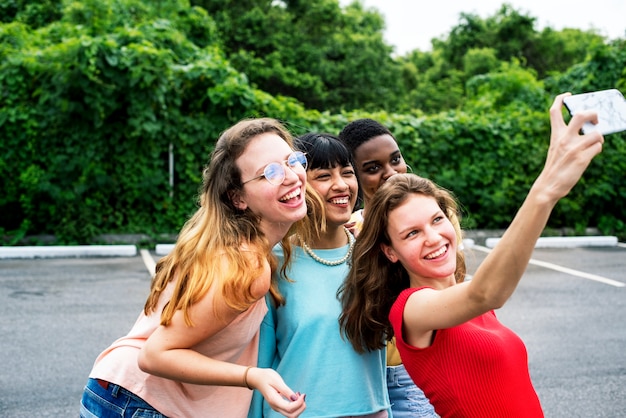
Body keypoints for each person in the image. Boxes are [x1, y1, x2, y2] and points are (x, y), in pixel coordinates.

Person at [338, 93, 604, 417]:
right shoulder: (411, 309)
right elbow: (488, 293)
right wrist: (546, 190)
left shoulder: (466, 297)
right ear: (390, 252)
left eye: (436, 220)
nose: (433, 237)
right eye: (412, 233)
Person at [80, 118, 308, 418]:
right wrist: (252, 376)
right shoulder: (246, 264)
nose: (291, 176)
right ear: (237, 198)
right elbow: (155, 355)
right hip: (141, 401)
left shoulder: (234, 242)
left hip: (122, 393)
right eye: (270, 173)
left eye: (293, 161)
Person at [249, 133, 390, 417]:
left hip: (372, 411)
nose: (341, 185)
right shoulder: (273, 263)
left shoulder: (374, 257)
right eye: (324, 176)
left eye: (348, 173)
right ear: (298, 183)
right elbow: (260, 363)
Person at [339, 118, 439, 417]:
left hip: (413, 373)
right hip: (361, 374)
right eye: (373, 168)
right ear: (353, 176)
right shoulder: (345, 229)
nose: (391, 172)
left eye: (396, 159)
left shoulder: (434, 224)